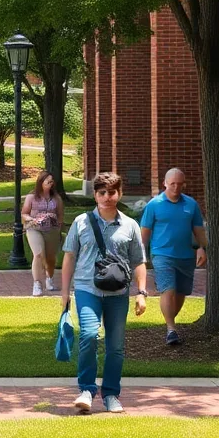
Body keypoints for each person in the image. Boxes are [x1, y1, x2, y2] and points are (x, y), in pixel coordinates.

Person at [60, 171, 148, 415]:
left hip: (118, 293)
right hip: (87, 289)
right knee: (89, 335)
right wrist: (65, 292)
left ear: (120, 194)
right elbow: (69, 257)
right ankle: (87, 390)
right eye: (102, 193)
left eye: (112, 192)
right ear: (95, 195)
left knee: (116, 346)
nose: (107, 197)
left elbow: (139, 261)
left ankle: (111, 393)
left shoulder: (130, 225)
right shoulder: (81, 222)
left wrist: (141, 292)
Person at [140, 168, 208, 346]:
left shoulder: (191, 204)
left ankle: (170, 322)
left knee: (180, 293)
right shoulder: (154, 205)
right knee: (168, 290)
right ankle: (171, 329)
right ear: (165, 183)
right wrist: (141, 256)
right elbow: (144, 233)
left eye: (180, 184)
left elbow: (198, 230)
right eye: (172, 184)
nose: (176, 187)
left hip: (185, 256)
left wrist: (202, 248)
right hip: (162, 255)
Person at [23, 171, 66, 296]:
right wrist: (32, 219)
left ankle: (49, 278)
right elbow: (24, 213)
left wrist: (57, 224)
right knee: (38, 254)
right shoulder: (31, 197)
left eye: (52, 182)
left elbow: (60, 215)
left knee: (50, 258)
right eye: (47, 181)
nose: (50, 184)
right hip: (34, 228)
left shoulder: (56, 198)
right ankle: (37, 284)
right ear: (41, 182)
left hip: (51, 230)